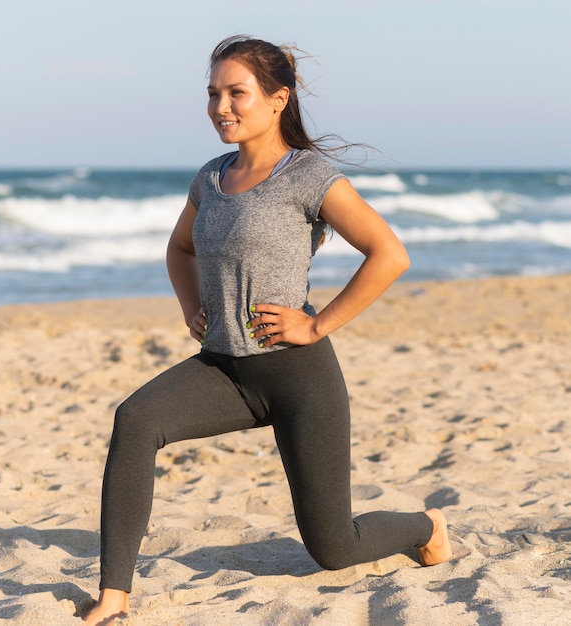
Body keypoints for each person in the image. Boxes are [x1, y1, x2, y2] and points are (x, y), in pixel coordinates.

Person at [83, 35, 452, 625]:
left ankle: (425, 525)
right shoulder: (210, 178)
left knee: (334, 548)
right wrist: (191, 305)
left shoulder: (306, 176)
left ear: (278, 99)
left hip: (297, 376)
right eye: (212, 94)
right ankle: (114, 596)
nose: (220, 107)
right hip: (223, 369)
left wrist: (317, 323)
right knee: (136, 419)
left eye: (236, 93)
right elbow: (179, 249)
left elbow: (389, 254)